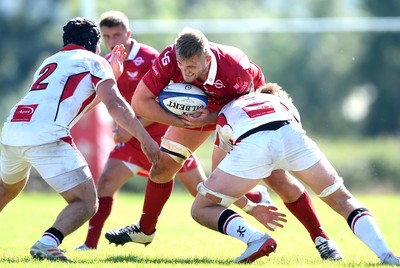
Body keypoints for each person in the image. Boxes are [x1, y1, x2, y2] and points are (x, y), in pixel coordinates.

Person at [105, 27, 341, 260]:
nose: (185, 73)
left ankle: (322, 238)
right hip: (201, 113)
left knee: (277, 178)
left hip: (241, 111)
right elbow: (140, 102)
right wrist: (182, 122)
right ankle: (145, 230)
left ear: (207, 59)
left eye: (192, 67)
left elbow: (241, 111)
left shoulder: (235, 67)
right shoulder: (169, 58)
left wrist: (209, 117)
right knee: (162, 167)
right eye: (181, 65)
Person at [73, 11, 271, 251]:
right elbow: (131, 101)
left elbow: (239, 105)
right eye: (107, 36)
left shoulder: (157, 58)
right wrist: (144, 126)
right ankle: (102, 242)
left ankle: (261, 204)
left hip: (193, 124)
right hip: (143, 135)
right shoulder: (121, 61)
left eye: (117, 35)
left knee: (207, 190)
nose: (113, 41)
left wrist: (204, 118)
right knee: (112, 182)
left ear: (128, 34)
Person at [0, 17, 160, 262]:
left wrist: (112, 76)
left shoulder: (49, 61)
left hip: (13, 129)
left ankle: (48, 242)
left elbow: (81, 100)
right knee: (87, 202)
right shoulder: (95, 61)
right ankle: (48, 242)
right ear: (91, 42)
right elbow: (114, 103)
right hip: (47, 137)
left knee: (6, 189)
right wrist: (144, 137)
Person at [191, 85, 400, 265]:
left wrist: (250, 208)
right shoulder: (285, 105)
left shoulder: (230, 109)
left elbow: (218, 173)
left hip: (253, 142)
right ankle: (385, 254)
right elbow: (283, 140)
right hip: (290, 133)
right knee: (342, 199)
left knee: (203, 207)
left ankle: (256, 239)